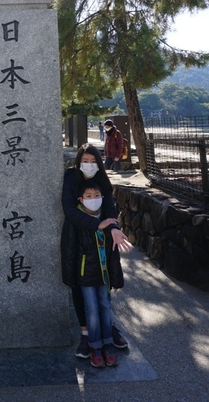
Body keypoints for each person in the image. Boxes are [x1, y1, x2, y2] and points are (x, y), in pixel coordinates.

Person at [61, 143, 131, 359]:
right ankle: (86, 334)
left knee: (103, 289)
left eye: (93, 162)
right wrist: (96, 225)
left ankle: (106, 329)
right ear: (78, 161)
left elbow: (110, 208)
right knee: (78, 284)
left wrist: (113, 228)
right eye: (85, 161)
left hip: (101, 241)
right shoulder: (71, 177)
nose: (89, 166)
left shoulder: (102, 179)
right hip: (77, 237)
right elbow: (69, 209)